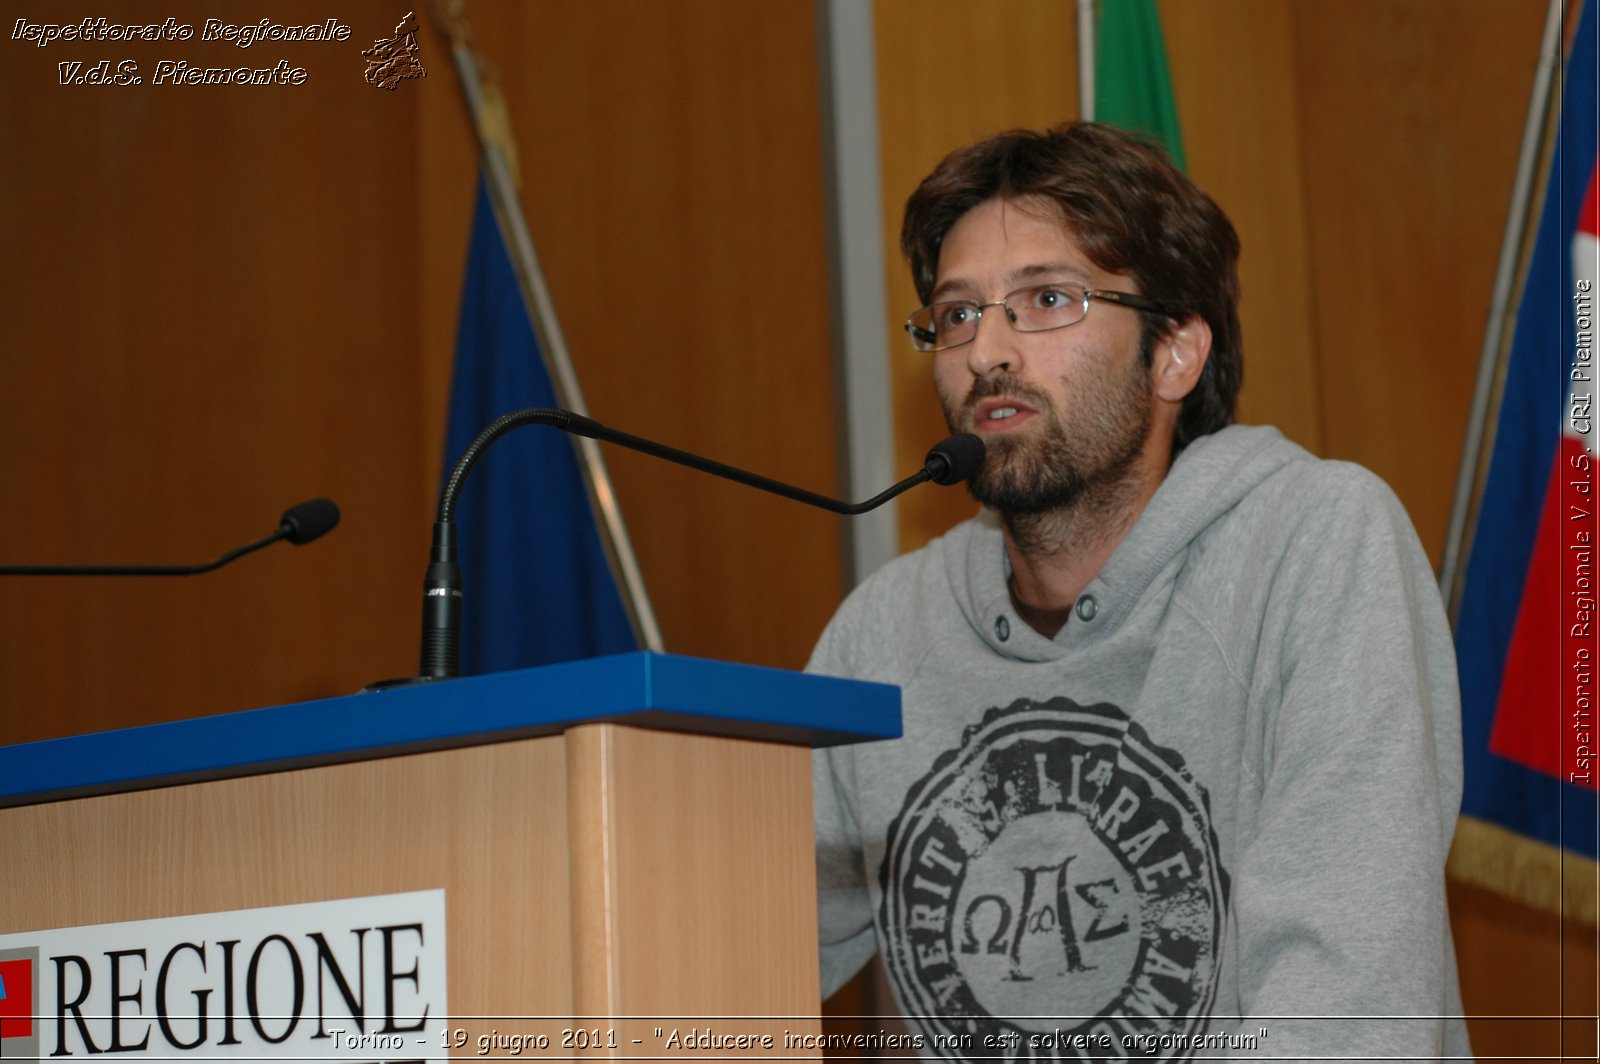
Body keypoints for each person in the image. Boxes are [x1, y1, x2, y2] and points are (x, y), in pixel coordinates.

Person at [809, 122, 1470, 1060]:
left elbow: (1347, 1009)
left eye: (1045, 299)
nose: (987, 350)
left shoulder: (1316, 544)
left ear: (1175, 354)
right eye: (957, 315)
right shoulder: (883, 632)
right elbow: (722, 941)